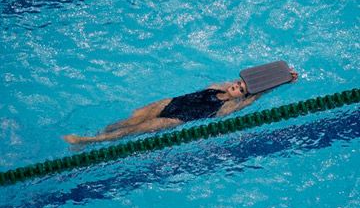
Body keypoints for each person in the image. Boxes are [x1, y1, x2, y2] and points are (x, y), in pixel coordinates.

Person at [63, 70, 298, 144]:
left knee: (134, 131)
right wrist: (265, 75)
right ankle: (100, 133)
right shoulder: (218, 86)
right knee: (131, 119)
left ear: (242, 96)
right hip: (171, 102)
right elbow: (249, 79)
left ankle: (89, 142)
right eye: (238, 82)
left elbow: (254, 96)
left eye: (241, 89)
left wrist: (281, 80)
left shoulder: (229, 108)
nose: (236, 86)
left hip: (178, 119)